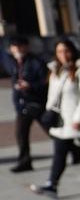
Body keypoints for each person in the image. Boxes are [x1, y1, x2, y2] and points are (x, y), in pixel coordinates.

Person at [29, 39, 80, 198]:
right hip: (61, 120)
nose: (63, 55)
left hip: (79, 120)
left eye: (66, 51)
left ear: (73, 51)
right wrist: (49, 112)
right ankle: (52, 183)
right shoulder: (55, 69)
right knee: (60, 152)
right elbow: (52, 94)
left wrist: (79, 117)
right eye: (59, 51)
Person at [2, 35, 51, 173]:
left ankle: (72, 148)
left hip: (36, 103)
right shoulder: (14, 62)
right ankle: (25, 161)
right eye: (14, 47)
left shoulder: (36, 62)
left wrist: (30, 86)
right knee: (21, 133)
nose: (16, 49)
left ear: (26, 46)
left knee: (50, 130)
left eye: (19, 46)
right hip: (22, 106)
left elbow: (45, 83)